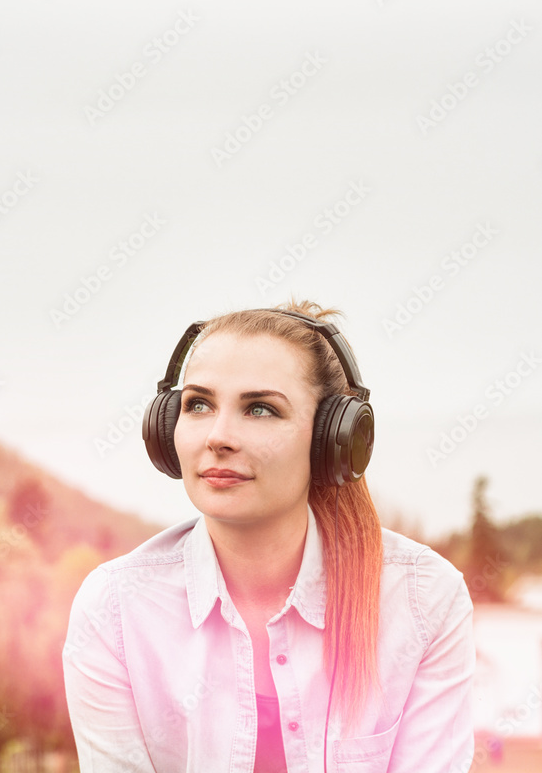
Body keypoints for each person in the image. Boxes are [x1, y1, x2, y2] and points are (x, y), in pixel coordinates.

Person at [63, 301, 475, 772]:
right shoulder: (115, 609)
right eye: (198, 404)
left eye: (260, 409)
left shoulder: (423, 600)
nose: (218, 436)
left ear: (333, 440)